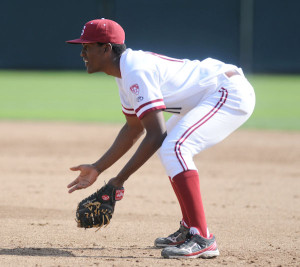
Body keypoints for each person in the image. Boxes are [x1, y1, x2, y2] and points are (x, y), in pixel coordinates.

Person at [66, 18, 255, 259]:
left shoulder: (135, 70)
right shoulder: (123, 73)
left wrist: (118, 181)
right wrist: (98, 168)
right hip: (208, 94)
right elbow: (134, 128)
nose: (82, 52)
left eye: (87, 46)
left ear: (106, 49)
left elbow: (155, 134)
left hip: (228, 91)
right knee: (170, 147)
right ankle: (190, 228)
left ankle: (202, 238)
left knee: (175, 147)